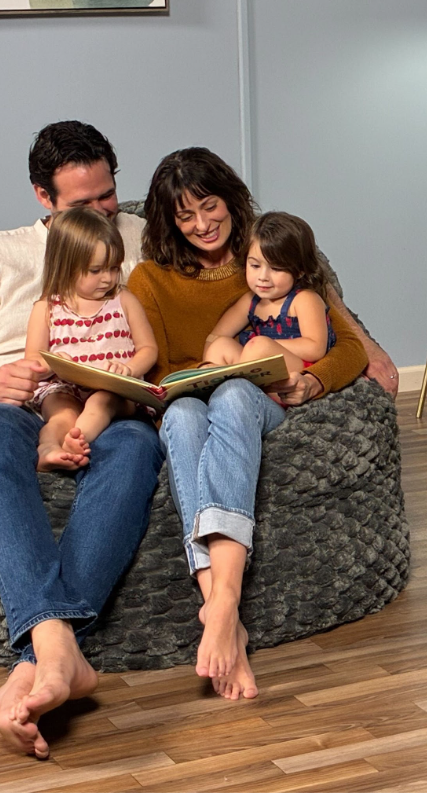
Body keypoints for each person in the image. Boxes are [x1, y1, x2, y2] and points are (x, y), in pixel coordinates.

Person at [0, 121, 164, 759]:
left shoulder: (138, 235)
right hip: (27, 400)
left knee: (136, 448)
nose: (107, 212)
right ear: (42, 199)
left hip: (111, 402)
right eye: (85, 205)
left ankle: (39, 662)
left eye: (109, 194)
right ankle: (59, 651)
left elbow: (266, 261)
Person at [126, 147, 369, 701]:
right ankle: (224, 617)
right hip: (189, 396)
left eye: (209, 207)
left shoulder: (268, 255)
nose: (202, 225)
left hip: (256, 396)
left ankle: (222, 600)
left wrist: (311, 380)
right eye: (185, 217)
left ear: (230, 201)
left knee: (235, 393)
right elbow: (157, 364)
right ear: (168, 223)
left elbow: (347, 346)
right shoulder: (149, 278)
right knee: (184, 414)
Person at [25, 207, 159, 471]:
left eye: (113, 268)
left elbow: (149, 348)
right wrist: (52, 363)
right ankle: (49, 450)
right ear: (65, 267)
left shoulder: (124, 300)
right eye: (95, 270)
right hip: (66, 386)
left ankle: (76, 442)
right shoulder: (47, 308)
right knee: (60, 413)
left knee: (101, 401)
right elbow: (32, 359)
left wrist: (129, 369)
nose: (107, 278)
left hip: (116, 390)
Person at [203, 211, 336, 379]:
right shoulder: (251, 301)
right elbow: (217, 335)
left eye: (276, 268)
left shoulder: (303, 299)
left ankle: (239, 389)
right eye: (255, 266)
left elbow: (315, 349)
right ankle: (214, 390)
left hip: (296, 372)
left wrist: (265, 345)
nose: (263, 277)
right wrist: (207, 365)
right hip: (258, 371)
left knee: (259, 346)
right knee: (220, 345)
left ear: (300, 270)